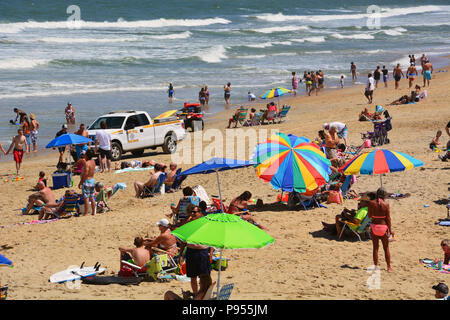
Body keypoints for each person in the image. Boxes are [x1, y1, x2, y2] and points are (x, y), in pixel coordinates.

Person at [368, 188, 393, 272]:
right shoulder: (386, 204)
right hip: (383, 227)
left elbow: (369, 216)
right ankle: (389, 267)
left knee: (375, 248)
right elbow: (388, 219)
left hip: (374, 227)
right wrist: (390, 230)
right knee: (386, 248)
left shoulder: (371, 203)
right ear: (384, 195)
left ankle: (375, 266)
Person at [78, 150, 96, 216]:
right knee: (92, 197)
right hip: (92, 180)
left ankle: (85, 213)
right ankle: (93, 212)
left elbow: (85, 174)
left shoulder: (87, 163)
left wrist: (80, 182)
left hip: (87, 181)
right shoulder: (93, 162)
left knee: (86, 198)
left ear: (87, 155)